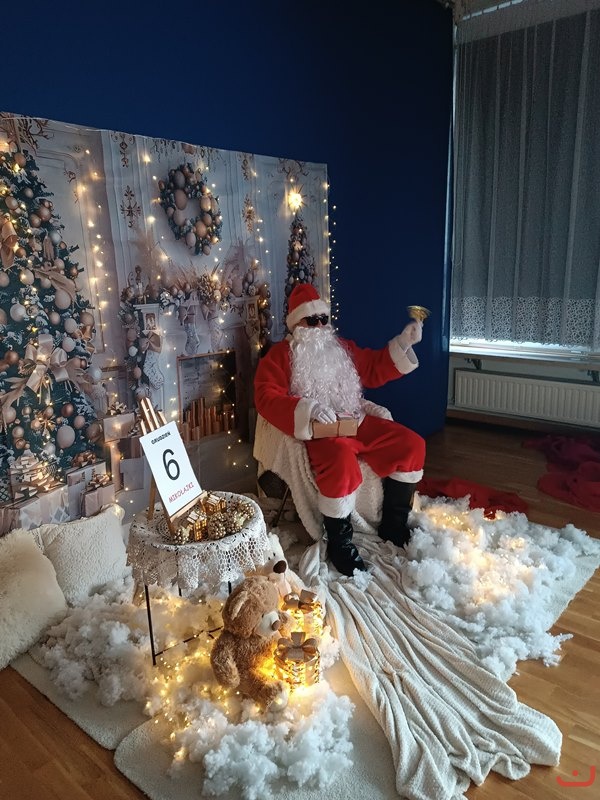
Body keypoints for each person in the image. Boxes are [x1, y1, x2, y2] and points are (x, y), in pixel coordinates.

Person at [254, 283, 426, 577]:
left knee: (412, 445)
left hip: (356, 421)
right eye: (312, 320)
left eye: (324, 318)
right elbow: (265, 396)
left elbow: (373, 367)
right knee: (340, 462)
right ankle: (340, 543)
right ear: (296, 324)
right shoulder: (282, 355)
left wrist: (403, 343)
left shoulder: (341, 348)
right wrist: (307, 408)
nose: (320, 326)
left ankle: (393, 525)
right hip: (320, 430)